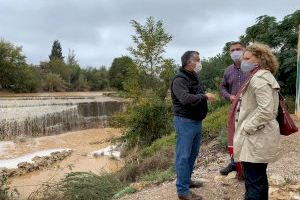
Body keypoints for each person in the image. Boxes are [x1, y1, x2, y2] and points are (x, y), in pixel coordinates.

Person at [230, 43, 281, 199]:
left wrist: (247, 127)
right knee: (258, 179)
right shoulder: (260, 76)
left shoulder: (259, 78)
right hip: (258, 137)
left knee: (253, 181)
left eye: (247, 58)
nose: (243, 61)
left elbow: (266, 110)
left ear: (259, 60)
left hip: (255, 138)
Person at [171, 51, 216, 200]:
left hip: (196, 121)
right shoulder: (179, 79)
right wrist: (204, 96)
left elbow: (196, 93)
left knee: (192, 154)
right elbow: (184, 98)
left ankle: (187, 181)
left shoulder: (193, 76)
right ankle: (182, 191)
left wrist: (203, 95)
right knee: (183, 156)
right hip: (185, 122)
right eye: (197, 60)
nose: (199, 62)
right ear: (189, 62)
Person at [220, 41, 247, 176]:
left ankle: (247, 169)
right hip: (234, 108)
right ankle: (234, 164)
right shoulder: (228, 70)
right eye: (232, 50)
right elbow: (223, 87)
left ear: (244, 50)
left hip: (250, 109)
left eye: (238, 49)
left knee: (247, 137)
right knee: (233, 137)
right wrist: (229, 96)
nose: (235, 52)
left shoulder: (251, 67)